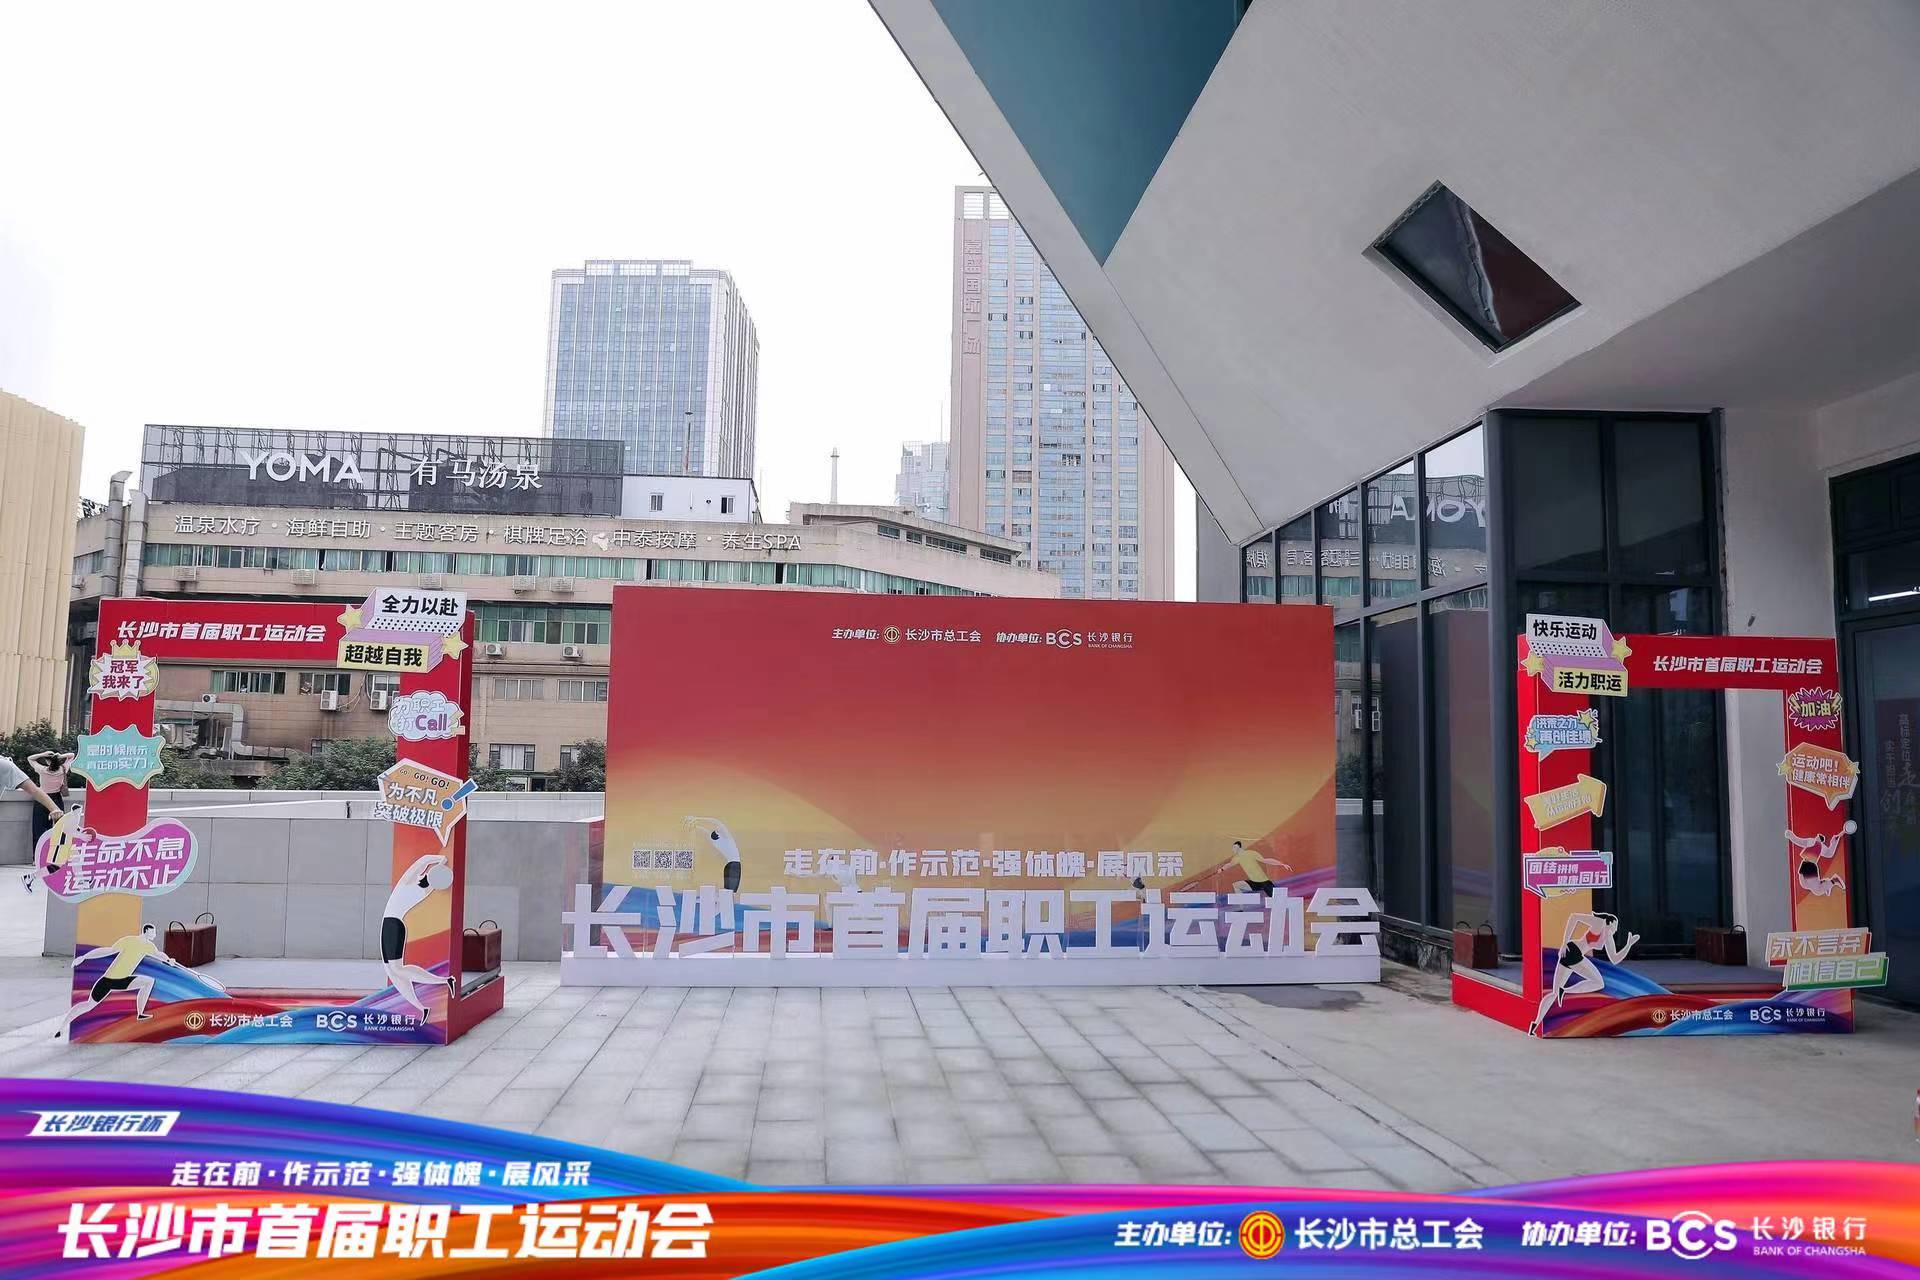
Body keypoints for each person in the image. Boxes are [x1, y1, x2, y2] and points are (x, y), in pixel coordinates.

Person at [61, 923, 227, 1038]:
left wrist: (168, 960)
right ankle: (63, 1026)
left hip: (123, 980)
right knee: (89, 1005)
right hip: (108, 980)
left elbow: (158, 955)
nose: (154, 935)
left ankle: (140, 1013)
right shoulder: (129, 941)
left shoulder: (148, 946)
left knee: (147, 982)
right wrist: (84, 957)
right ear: (146, 931)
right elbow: (107, 951)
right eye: (153, 933)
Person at [1529, 911, 1640, 1036]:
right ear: (1609, 922)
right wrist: (1564, 943)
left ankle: (1535, 1025)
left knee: (1555, 993)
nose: (1615, 929)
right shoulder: (1599, 923)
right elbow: (1574, 917)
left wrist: (1628, 945)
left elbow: (1615, 959)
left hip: (1572, 954)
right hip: (1572, 951)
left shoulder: (1608, 937)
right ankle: (1565, 990)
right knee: (1598, 982)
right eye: (1615, 925)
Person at [380, 854, 455, 1015]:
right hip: (394, 924)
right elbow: (427, 864)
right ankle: (422, 1008)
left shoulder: (408, 881)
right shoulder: (427, 889)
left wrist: (441, 860)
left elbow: (425, 859)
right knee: (394, 972)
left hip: (392, 925)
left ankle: (445, 981)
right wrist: (441, 864)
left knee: (396, 970)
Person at [4, 753, 65, 892]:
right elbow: (71, 756)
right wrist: (57, 756)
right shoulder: (62, 769)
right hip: (56, 799)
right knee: (57, 834)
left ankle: (37, 860)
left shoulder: (41, 769)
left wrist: (44, 754)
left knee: (39, 830)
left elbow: (30, 760)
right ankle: (48, 860)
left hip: (43, 801)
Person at [1785, 821, 1853, 898]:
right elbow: (1798, 841)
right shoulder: (1811, 841)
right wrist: (1791, 836)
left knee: (1817, 890)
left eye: (1819, 837)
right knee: (1804, 884)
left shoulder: (1820, 846)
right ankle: (1825, 884)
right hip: (1805, 864)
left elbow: (1829, 853)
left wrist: (1834, 842)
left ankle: (1833, 880)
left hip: (1810, 866)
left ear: (1820, 840)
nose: (1817, 837)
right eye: (1818, 836)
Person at [684, 817, 744, 891]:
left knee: (730, 890)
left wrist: (697, 819)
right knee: (729, 890)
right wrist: (695, 824)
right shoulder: (717, 840)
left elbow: (716, 822)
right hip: (731, 865)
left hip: (732, 865)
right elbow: (708, 829)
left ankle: (728, 897)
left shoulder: (725, 837)